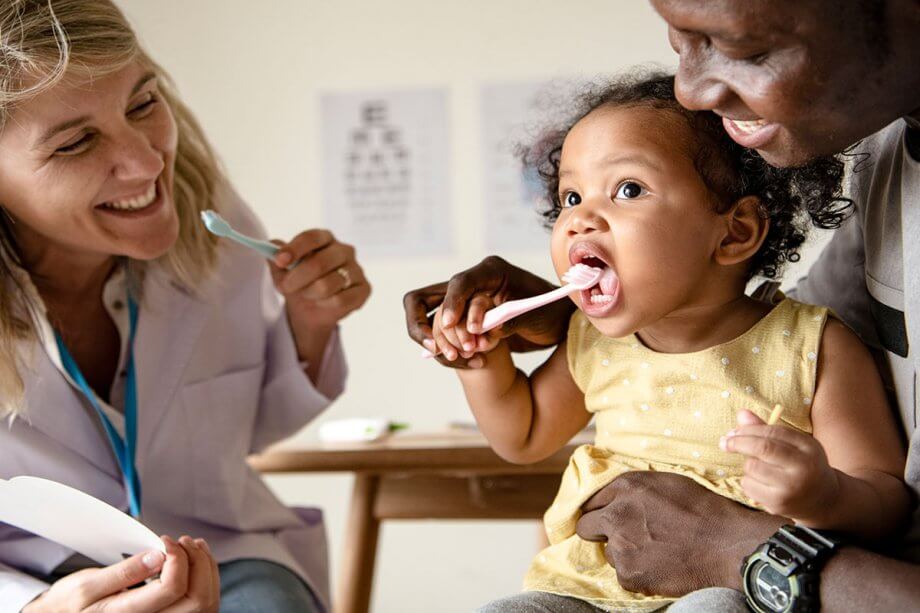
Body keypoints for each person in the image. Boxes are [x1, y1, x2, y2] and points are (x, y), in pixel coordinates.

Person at [404, 0, 920, 609]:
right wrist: (481, 360)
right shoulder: (596, 343)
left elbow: (885, 498)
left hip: (737, 590)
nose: (580, 220)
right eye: (570, 196)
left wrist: (823, 496)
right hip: (586, 590)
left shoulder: (811, 346)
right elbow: (524, 435)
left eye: (628, 189)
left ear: (732, 234)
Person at [0, 1, 370, 612]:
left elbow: (244, 430)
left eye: (143, 104)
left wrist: (310, 324)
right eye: (76, 143)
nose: (148, 163)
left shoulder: (216, 229)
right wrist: (36, 608)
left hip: (223, 553)